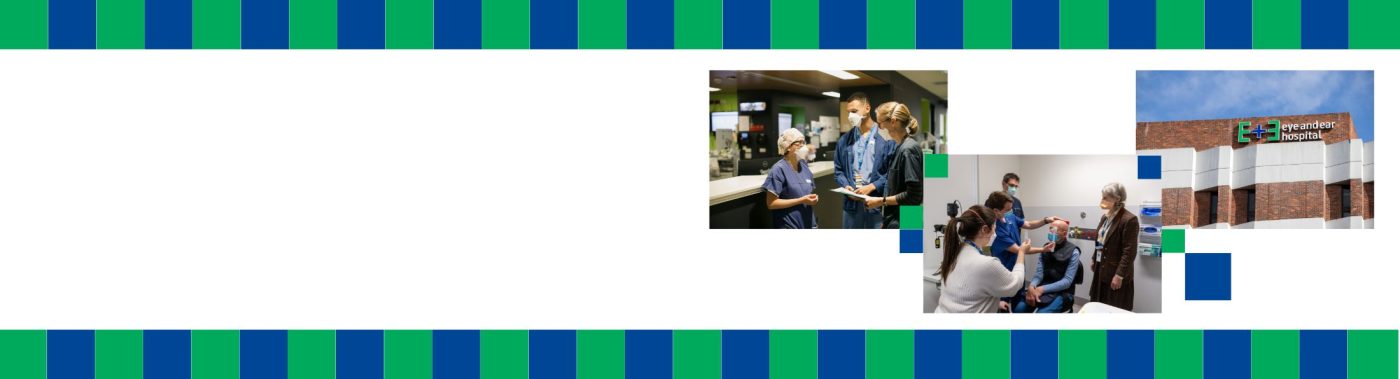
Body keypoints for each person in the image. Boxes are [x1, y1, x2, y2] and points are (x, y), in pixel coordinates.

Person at [935, 205, 1037, 313]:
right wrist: (1021, 252)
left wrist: (996, 303)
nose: (995, 233)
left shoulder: (955, 253)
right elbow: (1014, 285)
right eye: (994, 228)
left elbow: (967, 292)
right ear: (984, 229)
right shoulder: (987, 264)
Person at [984, 191, 1062, 311]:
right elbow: (1019, 250)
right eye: (1007, 209)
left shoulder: (1009, 217)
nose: (1010, 211)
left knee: (1018, 304)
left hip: (1018, 268)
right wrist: (1042, 249)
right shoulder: (996, 231)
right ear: (996, 211)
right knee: (1003, 306)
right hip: (1005, 274)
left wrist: (1046, 220)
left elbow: (1028, 224)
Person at [834, 92, 893, 229]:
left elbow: (892, 173)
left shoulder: (885, 138)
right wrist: (846, 185)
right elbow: (839, 171)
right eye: (848, 112)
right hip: (852, 202)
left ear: (867, 108)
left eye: (854, 111)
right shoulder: (844, 140)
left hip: (875, 202)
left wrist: (872, 186)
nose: (850, 116)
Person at [864, 102, 923, 229]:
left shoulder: (908, 149)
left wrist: (881, 201)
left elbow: (914, 196)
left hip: (908, 220)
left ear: (893, 122)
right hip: (898, 219)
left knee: (910, 249)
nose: (878, 127)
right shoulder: (900, 147)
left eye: (880, 123)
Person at [1011, 220, 1083, 313]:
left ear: (1064, 233)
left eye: (1054, 230)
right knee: (1019, 309)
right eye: (1050, 230)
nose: (1051, 233)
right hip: (1043, 287)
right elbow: (1038, 274)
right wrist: (1032, 286)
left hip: (1064, 292)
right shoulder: (1045, 248)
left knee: (1041, 314)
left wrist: (1042, 289)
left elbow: (1067, 281)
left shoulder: (1074, 251)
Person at [1089, 182, 1139, 310]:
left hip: (1116, 272)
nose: (1102, 200)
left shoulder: (1129, 220)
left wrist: (1119, 275)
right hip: (1101, 267)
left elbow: (1129, 251)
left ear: (1117, 198)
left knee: (1114, 307)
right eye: (1102, 196)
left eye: (1106, 197)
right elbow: (1101, 240)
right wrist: (1094, 258)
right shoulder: (1105, 217)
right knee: (1099, 303)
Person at [763, 128, 819, 229]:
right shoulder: (778, 170)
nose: (803, 146)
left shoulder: (804, 166)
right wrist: (800, 200)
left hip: (808, 224)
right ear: (787, 147)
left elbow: (808, 193)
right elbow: (771, 203)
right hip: (789, 225)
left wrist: (812, 199)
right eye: (799, 143)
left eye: (804, 142)